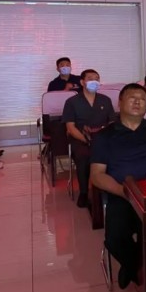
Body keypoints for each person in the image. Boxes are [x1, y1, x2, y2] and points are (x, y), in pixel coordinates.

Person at [91, 83, 146, 289]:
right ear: (120, 102)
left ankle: (144, 271)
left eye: (143, 99)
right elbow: (97, 175)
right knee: (115, 239)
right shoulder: (105, 136)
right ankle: (134, 266)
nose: (138, 102)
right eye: (133, 98)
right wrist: (124, 191)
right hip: (123, 195)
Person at [62, 69, 116, 208]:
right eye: (90, 78)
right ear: (82, 82)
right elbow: (70, 127)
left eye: (97, 78)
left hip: (103, 138)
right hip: (81, 139)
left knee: (115, 153)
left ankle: (111, 188)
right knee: (84, 157)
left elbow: (112, 122)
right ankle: (84, 192)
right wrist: (86, 140)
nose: (94, 81)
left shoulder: (105, 100)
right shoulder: (72, 102)